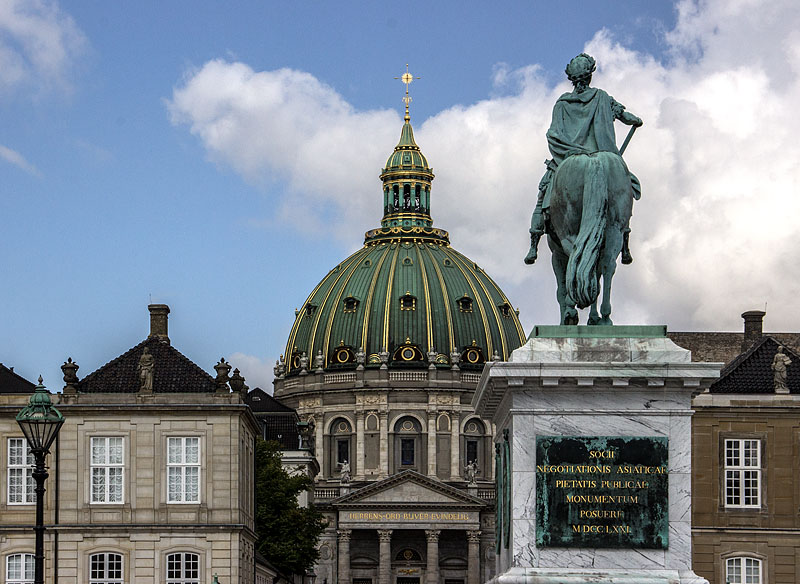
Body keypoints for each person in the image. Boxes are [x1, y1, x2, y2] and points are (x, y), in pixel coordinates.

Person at [525, 53, 642, 265]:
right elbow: (627, 117)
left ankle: (534, 243)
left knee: (542, 196)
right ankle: (624, 243)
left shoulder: (562, 103)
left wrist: (570, 150)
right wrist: (636, 120)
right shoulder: (602, 97)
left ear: (572, 80)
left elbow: (553, 134)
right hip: (602, 154)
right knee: (626, 187)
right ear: (590, 77)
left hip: (568, 156)